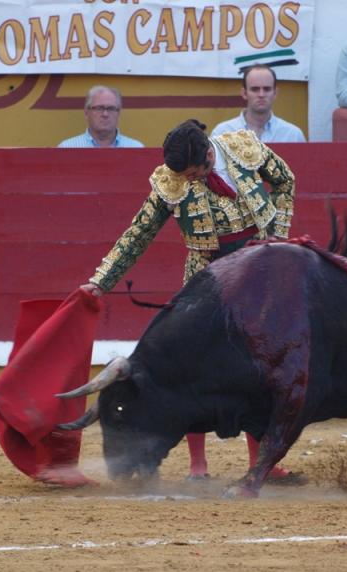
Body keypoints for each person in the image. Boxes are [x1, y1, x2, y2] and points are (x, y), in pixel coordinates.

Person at [83, 118, 301, 483]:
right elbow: (138, 233)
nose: (191, 181)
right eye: (184, 176)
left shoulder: (243, 147)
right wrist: (100, 282)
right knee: (188, 369)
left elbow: (285, 182)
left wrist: (276, 240)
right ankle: (197, 464)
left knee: (261, 366)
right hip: (207, 277)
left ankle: (264, 462)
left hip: (259, 270)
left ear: (208, 154)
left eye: (195, 173)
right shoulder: (171, 181)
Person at [211, 64, 306, 142]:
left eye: (267, 89)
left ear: (275, 93)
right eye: (255, 89)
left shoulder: (293, 135)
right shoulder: (222, 133)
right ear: (244, 93)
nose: (261, 94)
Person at [58, 85, 143, 148]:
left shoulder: (136, 148)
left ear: (118, 114)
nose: (105, 114)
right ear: (86, 113)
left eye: (111, 108)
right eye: (99, 108)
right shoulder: (66, 148)